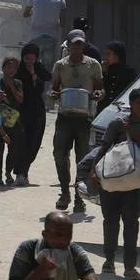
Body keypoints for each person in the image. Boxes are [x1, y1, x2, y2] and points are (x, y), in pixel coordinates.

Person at [82, 86, 140, 280]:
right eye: (139, 104)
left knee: (132, 225)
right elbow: (103, 149)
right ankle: (109, 261)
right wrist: (93, 172)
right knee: (111, 222)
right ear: (131, 104)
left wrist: (136, 135)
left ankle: (130, 267)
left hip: (133, 185)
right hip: (111, 182)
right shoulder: (117, 124)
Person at [50, 30, 104, 213]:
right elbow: (54, 89)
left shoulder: (93, 65)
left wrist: (98, 95)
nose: (77, 47)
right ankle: (64, 192)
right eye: (74, 44)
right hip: (64, 116)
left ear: (85, 45)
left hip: (84, 118)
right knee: (59, 154)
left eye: (80, 44)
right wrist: (54, 94)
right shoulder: (60, 65)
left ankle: (79, 198)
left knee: (82, 159)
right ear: (68, 44)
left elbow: (100, 89)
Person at [15, 43, 52, 186]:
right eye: (26, 59)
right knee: (22, 142)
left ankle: (25, 171)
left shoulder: (39, 68)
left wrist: (34, 75)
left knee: (34, 141)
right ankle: (20, 173)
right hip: (22, 110)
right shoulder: (18, 70)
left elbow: (48, 77)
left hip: (37, 110)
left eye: (32, 59)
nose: (29, 62)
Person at [0, 56, 26, 187]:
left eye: (14, 67)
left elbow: (20, 100)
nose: (11, 70)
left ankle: (8, 173)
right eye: (8, 67)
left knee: (13, 149)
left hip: (14, 122)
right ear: (3, 68)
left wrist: (12, 87)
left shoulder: (18, 83)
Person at [22, 0, 67, 69]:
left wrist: (33, 13)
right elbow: (63, 23)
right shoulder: (60, 0)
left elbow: (25, 14)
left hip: (35, 37)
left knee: (33, 65)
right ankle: (46, 84)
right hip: (51, 38)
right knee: (48, 67)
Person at [97, 41, 135, 113]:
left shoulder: (129, 72)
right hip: (103, 110)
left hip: (120, 111)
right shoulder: (104, 70)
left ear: (117, 55)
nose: (105, 57)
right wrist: (103, 72)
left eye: (108, 54)